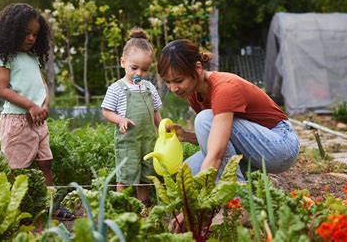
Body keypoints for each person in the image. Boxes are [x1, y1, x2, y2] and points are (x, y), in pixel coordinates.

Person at [158, 39, 300, 182]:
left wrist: (204, 185)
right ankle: (252, 183)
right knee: (185, 177)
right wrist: (187, 136)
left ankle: (236, 196)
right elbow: (216, 138)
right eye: (167, 82)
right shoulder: (194, 94)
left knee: (204, 119)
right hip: (255, 147)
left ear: (198, 68)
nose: (173, 88)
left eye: (178, 81)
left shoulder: (224, 88)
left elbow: (216, 154)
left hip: (281, 146)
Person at [0, 3, 74, 220]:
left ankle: (51, 204)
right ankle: (17, 209)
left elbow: (42, 84)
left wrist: (44, 105)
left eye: (35, 34)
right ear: (12, 31)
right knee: (19, 169)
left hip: (38, 120)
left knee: (46, 162)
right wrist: (30, 105)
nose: (30, 38)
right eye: (26, 33)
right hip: (17, 121)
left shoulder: (32, 57)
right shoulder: (5, 57)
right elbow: (1, 88)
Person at [101, 28, 162, 203]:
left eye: (145, 69)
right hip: (128, 141)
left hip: (148, 140)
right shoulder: (117, 88)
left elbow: (156, 111)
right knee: (127, 173)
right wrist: (120, 119)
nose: (139, 74)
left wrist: (163, 130)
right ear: (123, 62)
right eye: (134, 68)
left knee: (147, 173)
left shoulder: (149, 87)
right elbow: (106, 111)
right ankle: (122, 204)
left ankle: (143, 205)